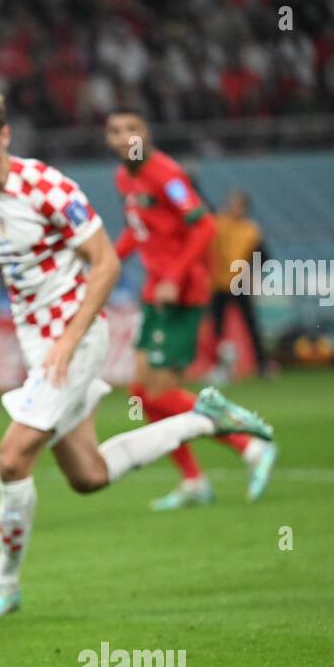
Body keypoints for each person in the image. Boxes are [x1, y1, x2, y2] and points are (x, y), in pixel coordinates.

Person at [0, 88, 274, 620]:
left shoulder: (47, 187)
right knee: (89, 474)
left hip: (79, 336)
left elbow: (105, 264)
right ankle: (204, 419)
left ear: (4, 136)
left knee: (12, 458)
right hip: (41, 346)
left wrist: (68, 337)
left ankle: (4, 583)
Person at [105, 108, 276, 510]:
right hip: (155, 292)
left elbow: (204, 227)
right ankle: (195, 480)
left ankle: (247, 442)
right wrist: (110, 261)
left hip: (181, 293)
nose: (123, 136)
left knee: (157, 390)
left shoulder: (168, 174)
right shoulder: (123, 178)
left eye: (131, 128)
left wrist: (174, 276)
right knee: (143, 393)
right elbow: (139, 228)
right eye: (115, 131)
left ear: (146, 132)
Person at [208, 189, 272, 380]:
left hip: (240, 283)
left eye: (239, 204)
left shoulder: (250, 230)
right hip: (218, 283)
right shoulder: (218, 222)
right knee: (217, 327)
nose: (235, 208)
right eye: (233, 204)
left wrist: (254, 277)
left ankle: (262, 365)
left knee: (251, 325)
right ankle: (219, 367)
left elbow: (262, 257)